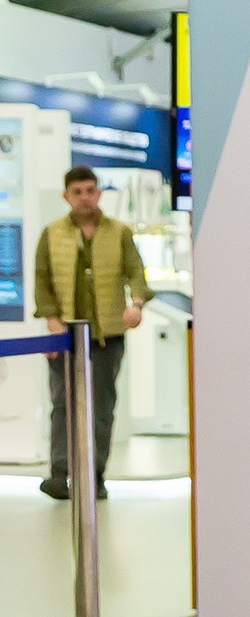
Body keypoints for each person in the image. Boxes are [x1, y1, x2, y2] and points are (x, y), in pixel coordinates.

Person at [33, 164, 152, 500]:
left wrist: (137, 304)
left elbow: (136, 273)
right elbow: (42, 282)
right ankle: (60, 476)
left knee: (101, 409)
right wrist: (52, 320)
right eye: (77, 192)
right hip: (63, 336)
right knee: (63, 406)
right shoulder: (52, 233)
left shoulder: (119, 232)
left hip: (107, 337)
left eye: (90, 190)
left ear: (99, 193)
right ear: (66, 196)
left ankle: (95, 477)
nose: (85, 198)